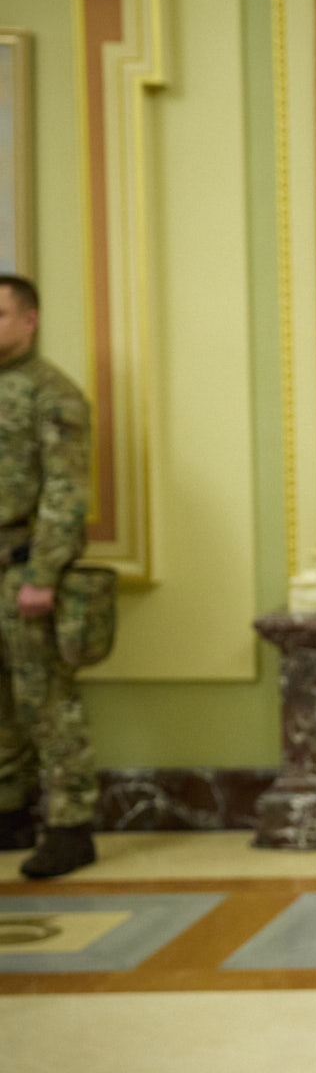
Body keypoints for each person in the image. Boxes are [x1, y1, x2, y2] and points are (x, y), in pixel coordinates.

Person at [0, 274, 101, 880]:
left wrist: (42, 573)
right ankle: (8, 811)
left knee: (46, 701)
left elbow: (66, 490)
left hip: (24, 570)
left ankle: (70, 825)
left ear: (29, 320)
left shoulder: (52, 393)